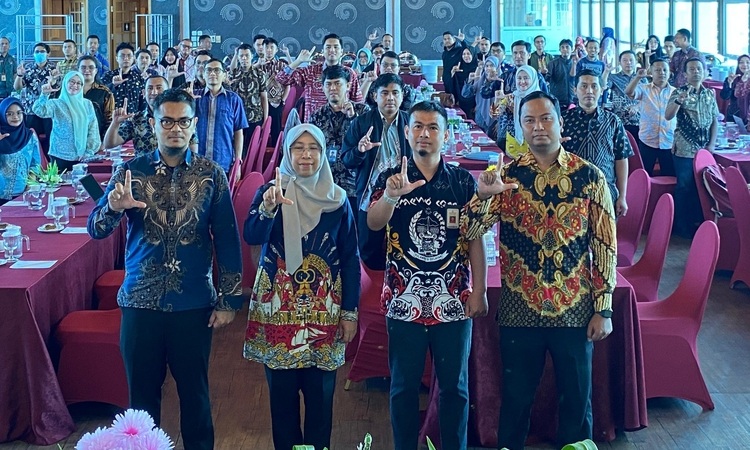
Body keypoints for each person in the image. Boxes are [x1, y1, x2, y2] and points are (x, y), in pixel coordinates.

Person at [87, 87, 242, 450]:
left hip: (193, 303)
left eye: (183, 122)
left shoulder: (211, 174)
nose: (176, 129)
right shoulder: (131, 172)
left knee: (196, 397)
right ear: (154, 124)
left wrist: (229, 300)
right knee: (141, 404)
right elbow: (96, 229)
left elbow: (227, 238)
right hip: (140, 302)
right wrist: (113, 208)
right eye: (167, 121)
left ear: (194, 124)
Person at [463, 90, 616, 450]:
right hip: (520, 310)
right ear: (520, 128)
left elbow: (604, 245)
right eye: (529, 120)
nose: (538, 127)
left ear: (560, 123)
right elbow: (469, 231)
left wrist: (604, 308)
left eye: (545, 118)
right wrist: (482, 197)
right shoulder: (507, 176)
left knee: (577, 402)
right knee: (515, 402)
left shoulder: (590, 177)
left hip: (574, 310)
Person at [366, 100, 492, 450]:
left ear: (445, 135)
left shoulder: (461, 182)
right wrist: (391, 197)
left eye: (433, 127)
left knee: (455, 388)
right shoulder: (391, 176)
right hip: (402, 299)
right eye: (418, 127)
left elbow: (475, 237)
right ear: (407, 133)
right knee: (403, 387)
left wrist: (479, 289)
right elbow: (373, 223)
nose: (424, 134)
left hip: (453, 300)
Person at [243, 123, 360, 450]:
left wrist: (350, 312)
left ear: (323, 154)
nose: (306, 155)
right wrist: (268, 208)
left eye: (313, 148)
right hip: (278, 309)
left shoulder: (337, 200)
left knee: (321, 399)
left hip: (324, 311)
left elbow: (350, 257)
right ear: (287, 152)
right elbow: (251, 235)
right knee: (281, 401)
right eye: (298, 148)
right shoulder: (271, 192)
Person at [342, 73, 411, 269]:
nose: (390, 98)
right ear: (374, 96)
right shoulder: (362, 123)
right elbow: (346, 160)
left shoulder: (411, 123)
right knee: (369, 254)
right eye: (385, 93)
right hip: (369, 196)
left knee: (403, 250)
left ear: (402, 95)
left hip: (405, 196)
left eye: (395, 93)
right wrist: (359, 151)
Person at [562, 69, 633, 217]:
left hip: (606, 194)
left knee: (605, 232)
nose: (589, 91)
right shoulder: (563, 121)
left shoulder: (613, 121)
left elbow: (621, 158)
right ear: (575, 90)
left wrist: (622, 196)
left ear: (601, 90)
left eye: (594, 86)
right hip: (570, 195)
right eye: (584, 86)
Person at [665, 57, 718, 237]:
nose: (696, 72)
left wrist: (712, 144)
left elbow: (714, 120)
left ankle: (699, 222)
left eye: (699, 69)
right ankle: (681, 225)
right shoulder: (679, 92)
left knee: (702, 187)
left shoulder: (709, 94)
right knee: (684, 186)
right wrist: (679, 101)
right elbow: (668, 115)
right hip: (684, 148)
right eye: (692, 69)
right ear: (685, 74)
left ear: (704, 72)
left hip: (704, 149)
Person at [309, 66, 368, 209]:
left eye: (337, 83)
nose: (333, 88)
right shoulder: (317, 116)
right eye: (328, 84)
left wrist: (352, 118)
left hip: (354, 184)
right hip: (326, 183)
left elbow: (367, 143)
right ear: (323, 88)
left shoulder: (363, 112)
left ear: (348, 86)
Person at [276, 33, 362, 122]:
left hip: (342, 124)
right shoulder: (310, 71)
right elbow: (281, 79)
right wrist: (298, 61)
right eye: (328, 47)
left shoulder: (349, 73)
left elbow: (358, 102)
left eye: (336, 47)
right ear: (323, 51)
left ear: (341, 52)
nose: (332, 50)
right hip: (314, 124)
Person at [103, 75, 198, 156]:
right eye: (150, 88)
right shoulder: (136, 119)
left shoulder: (181, 118)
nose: (154, 92)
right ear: (144, 93)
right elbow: (109, 144)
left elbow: (193, 151)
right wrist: (115, 123)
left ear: (167, 91)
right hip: (143, 170)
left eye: (159, 88)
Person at [33, 71, 100, 171]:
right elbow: (39, 110)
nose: (75, 85)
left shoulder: (87, 104)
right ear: (65, 83)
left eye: (79, 83)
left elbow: (93, 128)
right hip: (59, 156)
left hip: (82, 156)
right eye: (71, 82)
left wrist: (89, 152)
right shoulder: (56, 104)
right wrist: (44, 94)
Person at [625, 58, 677, 177]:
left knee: (669, 176)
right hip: (647, 140)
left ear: (669, 73)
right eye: (657, 70)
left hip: (668, 140)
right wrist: (637, 77)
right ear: (651, 72)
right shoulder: (644, 88)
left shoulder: (675, 92)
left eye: (665, 70)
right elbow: (628, 92)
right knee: (643, 175)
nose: (662, 73)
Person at [196, 59, 248, 173]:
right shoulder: (194, 97)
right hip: (196, 161)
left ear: (224, 75)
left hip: (223, 161)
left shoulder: (234, 100)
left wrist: (238, 162)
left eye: (217, 70)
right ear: (203, 75)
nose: (212, 73)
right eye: (208, 70)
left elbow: (238, 133)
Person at [14, 42, 57, 152]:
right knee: (32, 140)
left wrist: (53, 81)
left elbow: (58, 88)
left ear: (48, 54)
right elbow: (17, 87)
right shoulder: (27, 68)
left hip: (48, 110)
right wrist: (19, 75)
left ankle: (49, 161)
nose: (39, 54)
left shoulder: (54, 69)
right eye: (36, 52)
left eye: (42, 51)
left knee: (50, 140)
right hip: (31, 110)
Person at [489, 64, 541, 148]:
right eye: (519, 78)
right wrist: (497, 101)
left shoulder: (540, 99)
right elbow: (494, 115)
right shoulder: (511, 97)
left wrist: (515, 110)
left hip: (534, 141)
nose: (522, 81)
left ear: (533, 79)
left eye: (526, 78)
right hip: (513, 142)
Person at [229, 43, 268, 155]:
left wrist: (265, 119)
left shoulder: (260, 74)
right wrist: (235, 54)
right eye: (241, 56)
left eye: (247, 55)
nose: (244, 58)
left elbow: (264, 97)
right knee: (237, 149)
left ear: (252, 56)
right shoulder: (234, 74)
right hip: (236, 117)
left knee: (252, 149)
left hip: (255, 117)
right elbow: (231, 69)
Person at [0, 97, 40, 203]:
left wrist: (30, 183)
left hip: (24, 194)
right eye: (10, 114)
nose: (15, 117)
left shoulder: (29, 137)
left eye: (19, 113)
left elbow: (35, 164)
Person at [482, 40, 548, 96]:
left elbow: (546, 98)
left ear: (529, 55)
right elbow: (485, 94)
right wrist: (489, 81)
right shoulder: (505, 76)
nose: (518, 56)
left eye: (522, 53)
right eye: (515, 53)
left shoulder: (537, 77)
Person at [258, 38, 290, 145]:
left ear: (276, 50)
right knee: (260, 129)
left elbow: (287, 85)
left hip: (276, 102)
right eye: (266, 47)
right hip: (259, 103)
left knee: (276, 130)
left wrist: (283, 100)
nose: (269, 50)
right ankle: (259, 150)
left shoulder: (282, 65)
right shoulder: (257, 65)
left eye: (272, 47)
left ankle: (276, 150)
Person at [607, 50, 644, 142]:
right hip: (620, 120)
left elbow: (647, 99)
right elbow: (603, 86)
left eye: (631, 60)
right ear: (619, 62)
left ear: (636, 61)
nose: (628, 62)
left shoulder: (642, 79)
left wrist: (637, 107)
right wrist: (606, 72)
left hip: (640, 121)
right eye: (625, 60)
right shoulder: (613, 77)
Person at [102, 43, 146, 114]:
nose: (126, 58)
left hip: (133, 118)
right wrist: (113, 85)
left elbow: (143, 102)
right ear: (117, 58)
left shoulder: (139, 78)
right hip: (112, 117)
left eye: (129, 56)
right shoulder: (108, 75)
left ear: (133, 58)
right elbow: (101, 95)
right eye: (122, 56)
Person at [78, 55, 115, 141]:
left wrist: (104, 142)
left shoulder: (105, 92)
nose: (87, 70)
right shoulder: (71, 91)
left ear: (96, 70)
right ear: (78, 70)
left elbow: (109, 120)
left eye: (91, 67)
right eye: (83, 67)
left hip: (96, 139)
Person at [462, 56, 496, 133]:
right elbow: (465, 94)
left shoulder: (501, 81)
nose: (489, 68)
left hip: (495, 121)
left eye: (492, 66)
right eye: (487, 66)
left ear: (497, 67)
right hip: (480, 118)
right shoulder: (481, 81)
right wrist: (469, 81)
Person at [450, 47, 478, 119]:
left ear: (473, 55)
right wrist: (452, 74)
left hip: (474, 103)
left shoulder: (478, 69)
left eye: (468, 54)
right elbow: (453, 86)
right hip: (461, 102)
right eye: (464, 54)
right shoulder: (459, 69)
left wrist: (478, 104)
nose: (466, 56)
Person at [720, 54, 750, 123]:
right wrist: (729, 84)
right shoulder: (732, 79)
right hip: (734, 115)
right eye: (741, 62)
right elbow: (724, 97)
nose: (744, 65)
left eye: (748, 62)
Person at [547, 39, 575, 107]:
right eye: (562, 47)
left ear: (572, 49)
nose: (565, 49)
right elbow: (547, 80)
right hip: (557, 99)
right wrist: (544, 73)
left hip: (573, 99)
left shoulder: (576, 63)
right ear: (559, 49)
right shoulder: (552, 63)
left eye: (567, 47)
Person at [441, 30, 468, 97]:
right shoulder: (444, 53)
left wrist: (463, 41)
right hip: (447, 80)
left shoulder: (459, 50)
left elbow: (467, 50)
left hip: (458, 81)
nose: (447, 40)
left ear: (454, 39)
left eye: (449, 38)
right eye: (445, 39)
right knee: (448, 100)